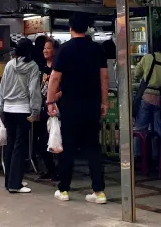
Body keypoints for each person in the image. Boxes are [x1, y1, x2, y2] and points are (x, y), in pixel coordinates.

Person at [47, 12, 108, 204]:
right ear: (87, 28)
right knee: (93, 148)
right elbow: (104, 78)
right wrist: (104, 102)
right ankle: (99, 192)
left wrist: (50, 101)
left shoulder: (64, 50)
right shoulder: (97, 49)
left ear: (70, 28)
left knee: (69, 147)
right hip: (92, 105)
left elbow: (55, 78)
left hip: (70, 105)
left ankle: (63, 190)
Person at [0, 37, 41, 194]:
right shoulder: (33, 66)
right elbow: (34, 90)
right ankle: (15, 184)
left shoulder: (9, 65)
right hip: (23, 110)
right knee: (20, 147)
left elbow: (2, 88)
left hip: (8, 109)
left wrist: (0, 107)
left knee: (10, 144)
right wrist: (35, 110)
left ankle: (10, 181)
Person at [133, 34, 161, 163]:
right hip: (159, 97)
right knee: (157, 130)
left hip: (146, 96)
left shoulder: (148, 57)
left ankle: (137, 155)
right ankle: (157, 157)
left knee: (140, 128)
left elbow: (136, 73)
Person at [35, 38, 61, 181]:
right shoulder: (40, 68)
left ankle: (59, 170)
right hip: (42, 107)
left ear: (55, 50)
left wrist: (54, 97)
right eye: (44, 48)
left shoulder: (59, 68)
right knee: (41, 140)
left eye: (48, 48)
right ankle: (50, 169)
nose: (45, 50)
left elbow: (64, 88)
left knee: (56, 138)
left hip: (56, 108)